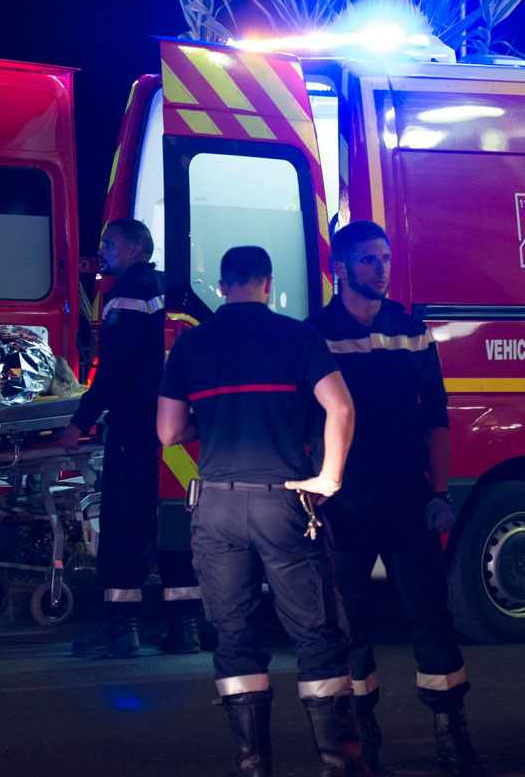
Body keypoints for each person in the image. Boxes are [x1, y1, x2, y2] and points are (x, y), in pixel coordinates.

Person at [157, 246, 368, 777]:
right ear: (267, 284)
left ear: (222, 285)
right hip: (285, 499)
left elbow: (169, 432)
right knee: (316, 633)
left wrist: (218, 418)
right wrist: (330, 478)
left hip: (218, 505)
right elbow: (340, 407)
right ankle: (336, 764)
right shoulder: (299, 337)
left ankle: (254, 766)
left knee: (234, 636)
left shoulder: (191, 344)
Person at [306, 220, 484, 776]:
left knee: (429, 617)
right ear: (340, 268)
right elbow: (305, 425)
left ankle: (451, 735)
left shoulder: (412, 330)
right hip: (345, 503)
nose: (381, 268)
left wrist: (439, 492)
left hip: (409, 497)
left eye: (384, 258)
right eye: (368, 260)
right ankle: (362, 738)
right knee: (349, 623)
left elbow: (435, 416)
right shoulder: (316, 334)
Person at [62, 219, 201, 659]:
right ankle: (186, 628)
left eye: (109, 243)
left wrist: (79, 421)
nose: (100, 249)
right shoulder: (168, 290)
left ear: (137, 248)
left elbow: (113, 371)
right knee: (174, 524)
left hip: (136, 430)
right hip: (176, 432)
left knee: (124, 523)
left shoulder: (127, 293)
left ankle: (121, 630)